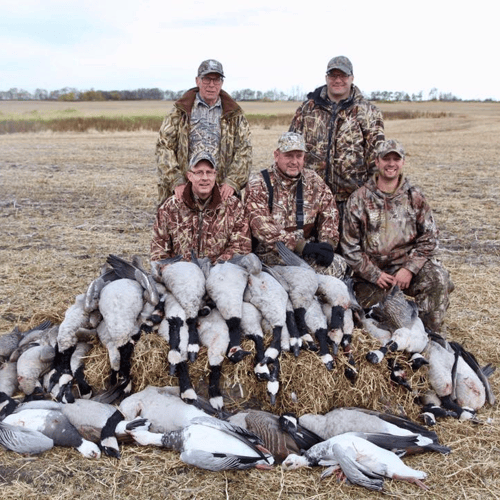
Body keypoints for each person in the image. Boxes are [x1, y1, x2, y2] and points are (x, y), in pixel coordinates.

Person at [341, 139, 453, 332]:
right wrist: (374, 274)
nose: (391, 164)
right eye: (386, 159)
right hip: (372, 275)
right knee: (362, 316)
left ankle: (429, 336)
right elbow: (349, 247)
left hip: (406, 272)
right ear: (377, 162)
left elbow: (430, 238)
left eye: (396, 159)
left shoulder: (414, 197)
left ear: (403, 163)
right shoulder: (359, 199)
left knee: (438, 279)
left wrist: (409, 269)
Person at [289, 55, 385, 225]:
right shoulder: (307, 109)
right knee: (310, 248)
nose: (338, 80)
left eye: (343, 76)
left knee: (350, 249)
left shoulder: (368, 112)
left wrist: (371, 195)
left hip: (351, 200)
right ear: (326, 78)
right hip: (311, 198)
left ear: (352, 78)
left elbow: (377, 159)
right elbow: (290, 151)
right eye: (333, 76)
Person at [245, 131, 347, 277]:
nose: (294, 161)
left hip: (306, 256)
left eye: (298, 156)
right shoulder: (259, 183)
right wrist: (301, 246)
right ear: (276, 155)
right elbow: (261, 226)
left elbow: (330, 212)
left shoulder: (313, 181)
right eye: (288, 156)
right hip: (270, 259)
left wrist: (327, 245)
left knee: (339, 265)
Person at [155, 59, 252, 204]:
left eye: (216, 80)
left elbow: (244, 151)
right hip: (185, 190)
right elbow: (164, 147)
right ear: (197, 81)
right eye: (207, 79)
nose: (211, 85)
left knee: (227, 225)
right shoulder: (179, 112)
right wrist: (176, 181)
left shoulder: (235, 115)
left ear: (222, 83)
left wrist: (232, 181)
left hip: (221, 191)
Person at [151, 151, 251, 263]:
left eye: (209, 172)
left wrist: (218, 265)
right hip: (182, 272)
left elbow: (241, 247)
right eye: (199, 173)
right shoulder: (170, 207)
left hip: (220, 271)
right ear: (190, 176)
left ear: (215, 175)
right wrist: (170, 268)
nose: (205, 178)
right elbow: (158, 250)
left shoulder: (233, 207)